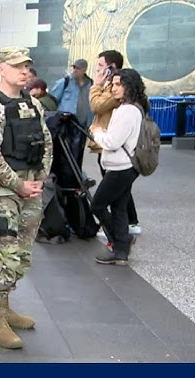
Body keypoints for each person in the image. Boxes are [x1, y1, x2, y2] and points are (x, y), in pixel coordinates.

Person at [0, 47, 52, 349]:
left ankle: (5, 306)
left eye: (27, 66)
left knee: (21, 256)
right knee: (2, 257)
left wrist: (40, 178)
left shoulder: (33, 104)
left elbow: (46, 142)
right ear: (2, 69)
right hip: (2, 192)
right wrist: (18, 184)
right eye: (17, 66)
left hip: (30, 188)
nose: (24, 71)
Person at [89, 68, 145, 265]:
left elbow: (112, 142)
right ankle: (120, 251)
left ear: (129, 86)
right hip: (126, 167)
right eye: (113, 84)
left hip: (121, 168)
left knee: (97, 204)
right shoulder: (133, 108)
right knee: (119, 207)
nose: (114, 88)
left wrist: (96, 133)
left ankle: (121, 241)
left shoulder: (126, 111)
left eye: (118, 84)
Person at [50, 59, 93, 129]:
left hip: (83, 126)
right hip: (65, 124)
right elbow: (53, 101)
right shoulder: (64, 82)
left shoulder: (90, 84)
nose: (75, 70)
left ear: (84, 70)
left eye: (78, 68)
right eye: (74, 67)